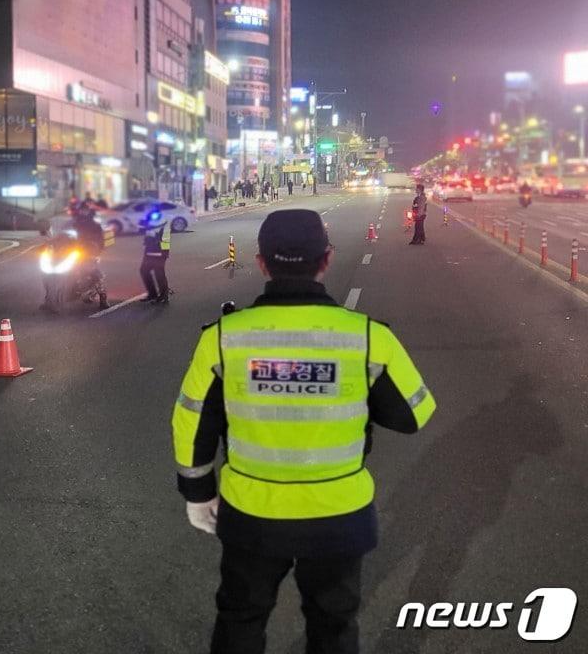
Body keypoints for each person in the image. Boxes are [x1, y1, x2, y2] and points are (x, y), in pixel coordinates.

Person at [171, 209, 436, 654]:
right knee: (333, 625)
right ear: (326, 260)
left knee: (241, 618)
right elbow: (414, 416)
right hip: (338, 516)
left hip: (252, 514)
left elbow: (192, 419)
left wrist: (198, 494)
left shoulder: (222, 337)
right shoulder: (368, 337)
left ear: (260, 263)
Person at [71, 204, 109, 309]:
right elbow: (68, 235)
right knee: (73, 270)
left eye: (85, 210)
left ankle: (103, 297)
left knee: (94, 273)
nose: (83, 212)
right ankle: (74, 291)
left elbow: (100, 239)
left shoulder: (94, 224)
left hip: (91, 251)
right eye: (82, 210)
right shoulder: (75, 223)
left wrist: (96, 249)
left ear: (88, 211)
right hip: (77, 250)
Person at [139, 207, 171, 304]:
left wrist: (164, 252)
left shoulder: (164, 220)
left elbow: (165, 237)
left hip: (160, 250)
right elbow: (141, 229)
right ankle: (152, 294)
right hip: (149, 250)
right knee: (144, 271)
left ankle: (164, 296)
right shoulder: (149, 220)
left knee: (159, 273)